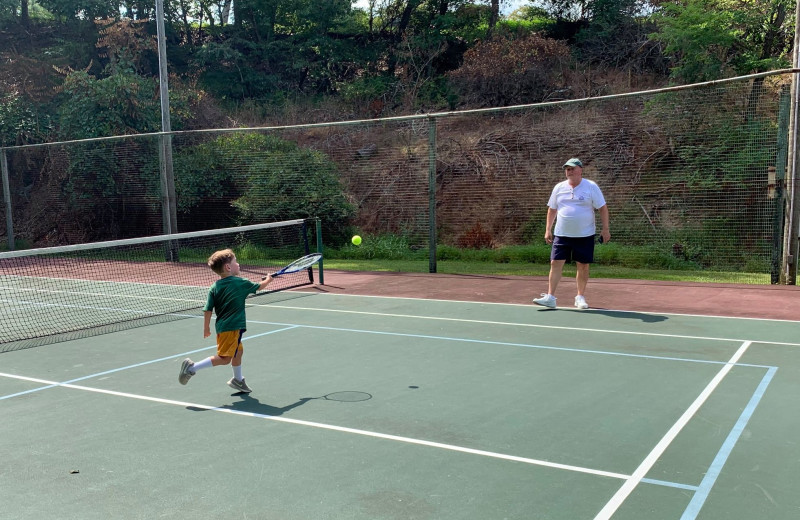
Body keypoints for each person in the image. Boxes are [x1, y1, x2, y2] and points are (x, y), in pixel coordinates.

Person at [178, 248, 273, 393]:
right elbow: (260, 287)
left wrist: (206, 328)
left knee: (238, 352)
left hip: (223, 327)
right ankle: (192, 368)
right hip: (232, 328)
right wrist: (268, 279)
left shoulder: (214, 287)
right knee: (224, 358)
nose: (238, 264)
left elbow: (208, 309)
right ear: (228, 267)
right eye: (235, 262)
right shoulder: (240, 282)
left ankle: (238, 380)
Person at [533, 158, 610, 309]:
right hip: (562, 234)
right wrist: (548, 229)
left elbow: (602, 208)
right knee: (555, 263)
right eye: (567, 169)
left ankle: (580, 297)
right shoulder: (559, 187)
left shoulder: (591, 186)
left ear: (580, 170)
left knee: (583, 266)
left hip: (585, 235)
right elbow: (552, 209)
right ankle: (550, 297)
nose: (569, 171)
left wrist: (605, 229)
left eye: (572, 168)